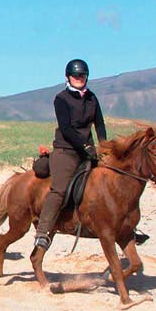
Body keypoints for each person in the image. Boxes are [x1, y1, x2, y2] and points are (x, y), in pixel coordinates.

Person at [31, 59, 107, 262]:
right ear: (68, 78)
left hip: (89, 149)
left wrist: (104, 146)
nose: (79, 79)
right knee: (60, 189)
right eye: (76, 76)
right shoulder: (61, 98)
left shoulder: (92, 98)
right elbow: (66, 128)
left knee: (110, 182)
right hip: (67, 150)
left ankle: (127, 227)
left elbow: (99, 124)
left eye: (82, 76)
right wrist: (85, 147)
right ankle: (43, 232)